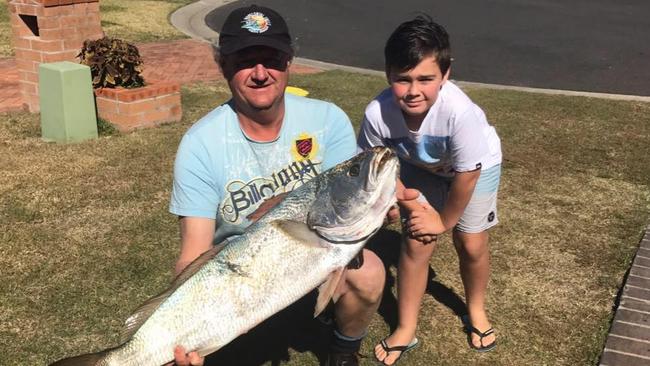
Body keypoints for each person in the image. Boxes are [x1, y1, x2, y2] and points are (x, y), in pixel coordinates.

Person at [167, 5, 386, 366]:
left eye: (271, 58)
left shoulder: (327, 120)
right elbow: (193, 253)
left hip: (313, 262)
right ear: (223, 66)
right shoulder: (199, 144)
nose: (259, 73)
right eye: (243, 60)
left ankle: (343, 353)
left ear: (288, 62)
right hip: (239, 279)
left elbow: (346, 210)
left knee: (371, 272)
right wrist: (181, 318)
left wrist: (382, 207)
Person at [357, 15, 503, 365]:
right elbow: (377, 163)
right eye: (402, 79)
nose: (413, 91)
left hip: (474, 168)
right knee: (416, 242)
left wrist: (443, 221)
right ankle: (406, 327)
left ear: (446, 74)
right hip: (419, 168)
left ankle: (476, 310)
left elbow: (467, 174)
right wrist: (406, 200)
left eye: (426, 79)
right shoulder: (377, 113)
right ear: (388, 74)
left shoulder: (459, 112)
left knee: (470, 242)